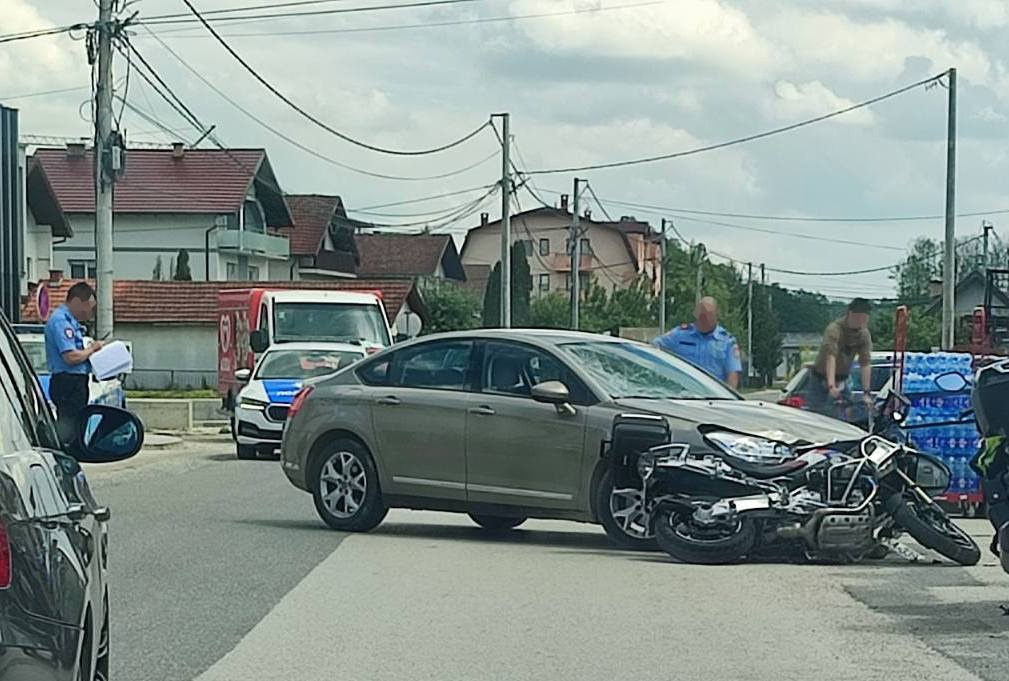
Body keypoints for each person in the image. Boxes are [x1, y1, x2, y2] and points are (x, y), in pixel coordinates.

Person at [45, 282, 103, 443]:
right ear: (76, 302)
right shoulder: (61, 321)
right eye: (88, 307)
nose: (89, 313)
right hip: (67, 382)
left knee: (77, 426)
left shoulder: (71, 322)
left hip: (74, 381)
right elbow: (70, 357)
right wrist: (92, 350)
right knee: (70, 429)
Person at [653, 296, 742, 387]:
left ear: (716, 316)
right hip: (683, 394)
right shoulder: (680, 335)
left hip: (712, 396)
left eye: (707, 317)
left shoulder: (727, 342)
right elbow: (654, 346)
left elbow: (732, 375)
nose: (703, 320)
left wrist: (725, 399)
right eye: (700, 316)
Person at [810, 298, 873, 419]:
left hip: (843, 379)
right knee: (817, 415)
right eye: (860, 319)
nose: (862, 323)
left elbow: (865, 363)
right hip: (821, 378)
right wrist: (831, 385)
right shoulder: (834, 329)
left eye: (865, 320)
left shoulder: (863, 334)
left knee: (847, 413)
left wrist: (866, 393)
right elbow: (831, 356)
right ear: (851, 314)